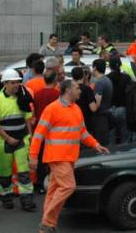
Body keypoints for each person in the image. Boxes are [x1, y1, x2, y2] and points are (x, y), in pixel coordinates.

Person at [31, 79, 109, 233]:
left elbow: (82, 133)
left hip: (68, 157)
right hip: (58, 157)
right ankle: (47, 222)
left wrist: (95, 144)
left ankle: (48, 225)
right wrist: (33, 156)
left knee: (54, 190)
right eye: (77, 88)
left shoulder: (76, 109)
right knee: (68, 186)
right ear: (68, 91)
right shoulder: (52, 109)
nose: (80, 91)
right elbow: (38, 135)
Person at [0, 68, 35, 212]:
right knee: (5, 173)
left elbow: (27, 118)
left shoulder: (22, 96)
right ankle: (6, 199)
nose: (16, 85)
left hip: (21, 140)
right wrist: (8, 139)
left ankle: (27, 201)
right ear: (5, 84)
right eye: (13, 83)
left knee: (24, 172)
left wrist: (30, 135)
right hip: (4, 142)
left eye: (18, 82)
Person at [106, 55, 133, 144]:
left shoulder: (106, 79)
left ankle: (111, 155)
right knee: (125, 137)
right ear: (120, 64)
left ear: (109, 66)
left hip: (109, 110)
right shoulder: (126, 78)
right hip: (123, 109)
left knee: (111, 137)